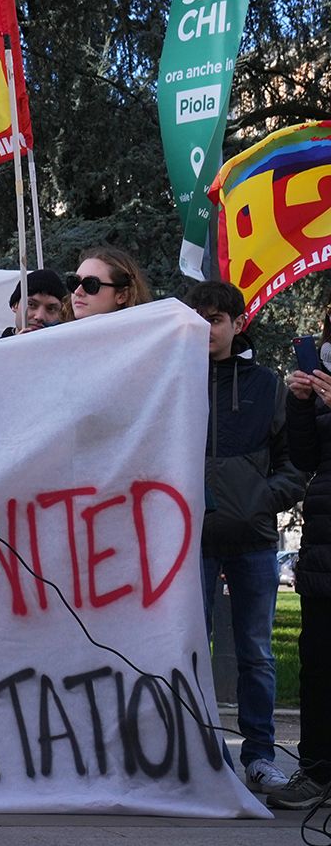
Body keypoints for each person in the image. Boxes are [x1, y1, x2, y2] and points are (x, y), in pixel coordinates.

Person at [180, 281, 299, 796]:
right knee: (189, 651)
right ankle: (199, 755)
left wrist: (260, 501)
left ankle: (259, 757)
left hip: (253, 539)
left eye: (217, 320)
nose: (208, 328)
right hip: (190, 541)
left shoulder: (267, 386)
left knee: (256, 653)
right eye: (200, 318)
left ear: (236, 323)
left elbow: (296, 463)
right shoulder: (173, 380)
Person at [280, 303, 331, 809]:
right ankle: (316, 770)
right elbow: (305, 458)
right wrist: (299, 403)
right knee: (318, 663)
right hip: (323, 552)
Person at [68, 247, 152, 319]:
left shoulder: (147, 336)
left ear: (122, 296)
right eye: (74, 283)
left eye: (90, 284)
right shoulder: (57, 334)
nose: (77, 292)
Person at [0, 269, 71, 337]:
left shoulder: (70, 347)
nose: (40, 316)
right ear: (15, 305)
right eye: (31, 304)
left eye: (51, 309)